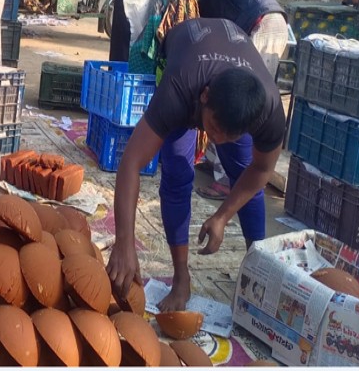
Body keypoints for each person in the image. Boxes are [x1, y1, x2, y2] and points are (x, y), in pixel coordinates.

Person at [106, 17, 286, 312]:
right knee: (177, 173)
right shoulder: (179, 89)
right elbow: (131, 162)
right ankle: (181, 279)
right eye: (214, 128)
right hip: (187, 53)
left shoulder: (268, 109)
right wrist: (124, 241)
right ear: (205, 97)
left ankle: (258, 274)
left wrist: (223, 216)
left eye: (230, 135)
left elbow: (262, 170)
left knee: (243, 173)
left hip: (232, 56)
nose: (218, 139)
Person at [163, 0, 289, 201]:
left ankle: (229, 181)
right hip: (259, 25)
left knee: (236, 104)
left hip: (264, 24)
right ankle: (216, 164)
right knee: (224, 97)